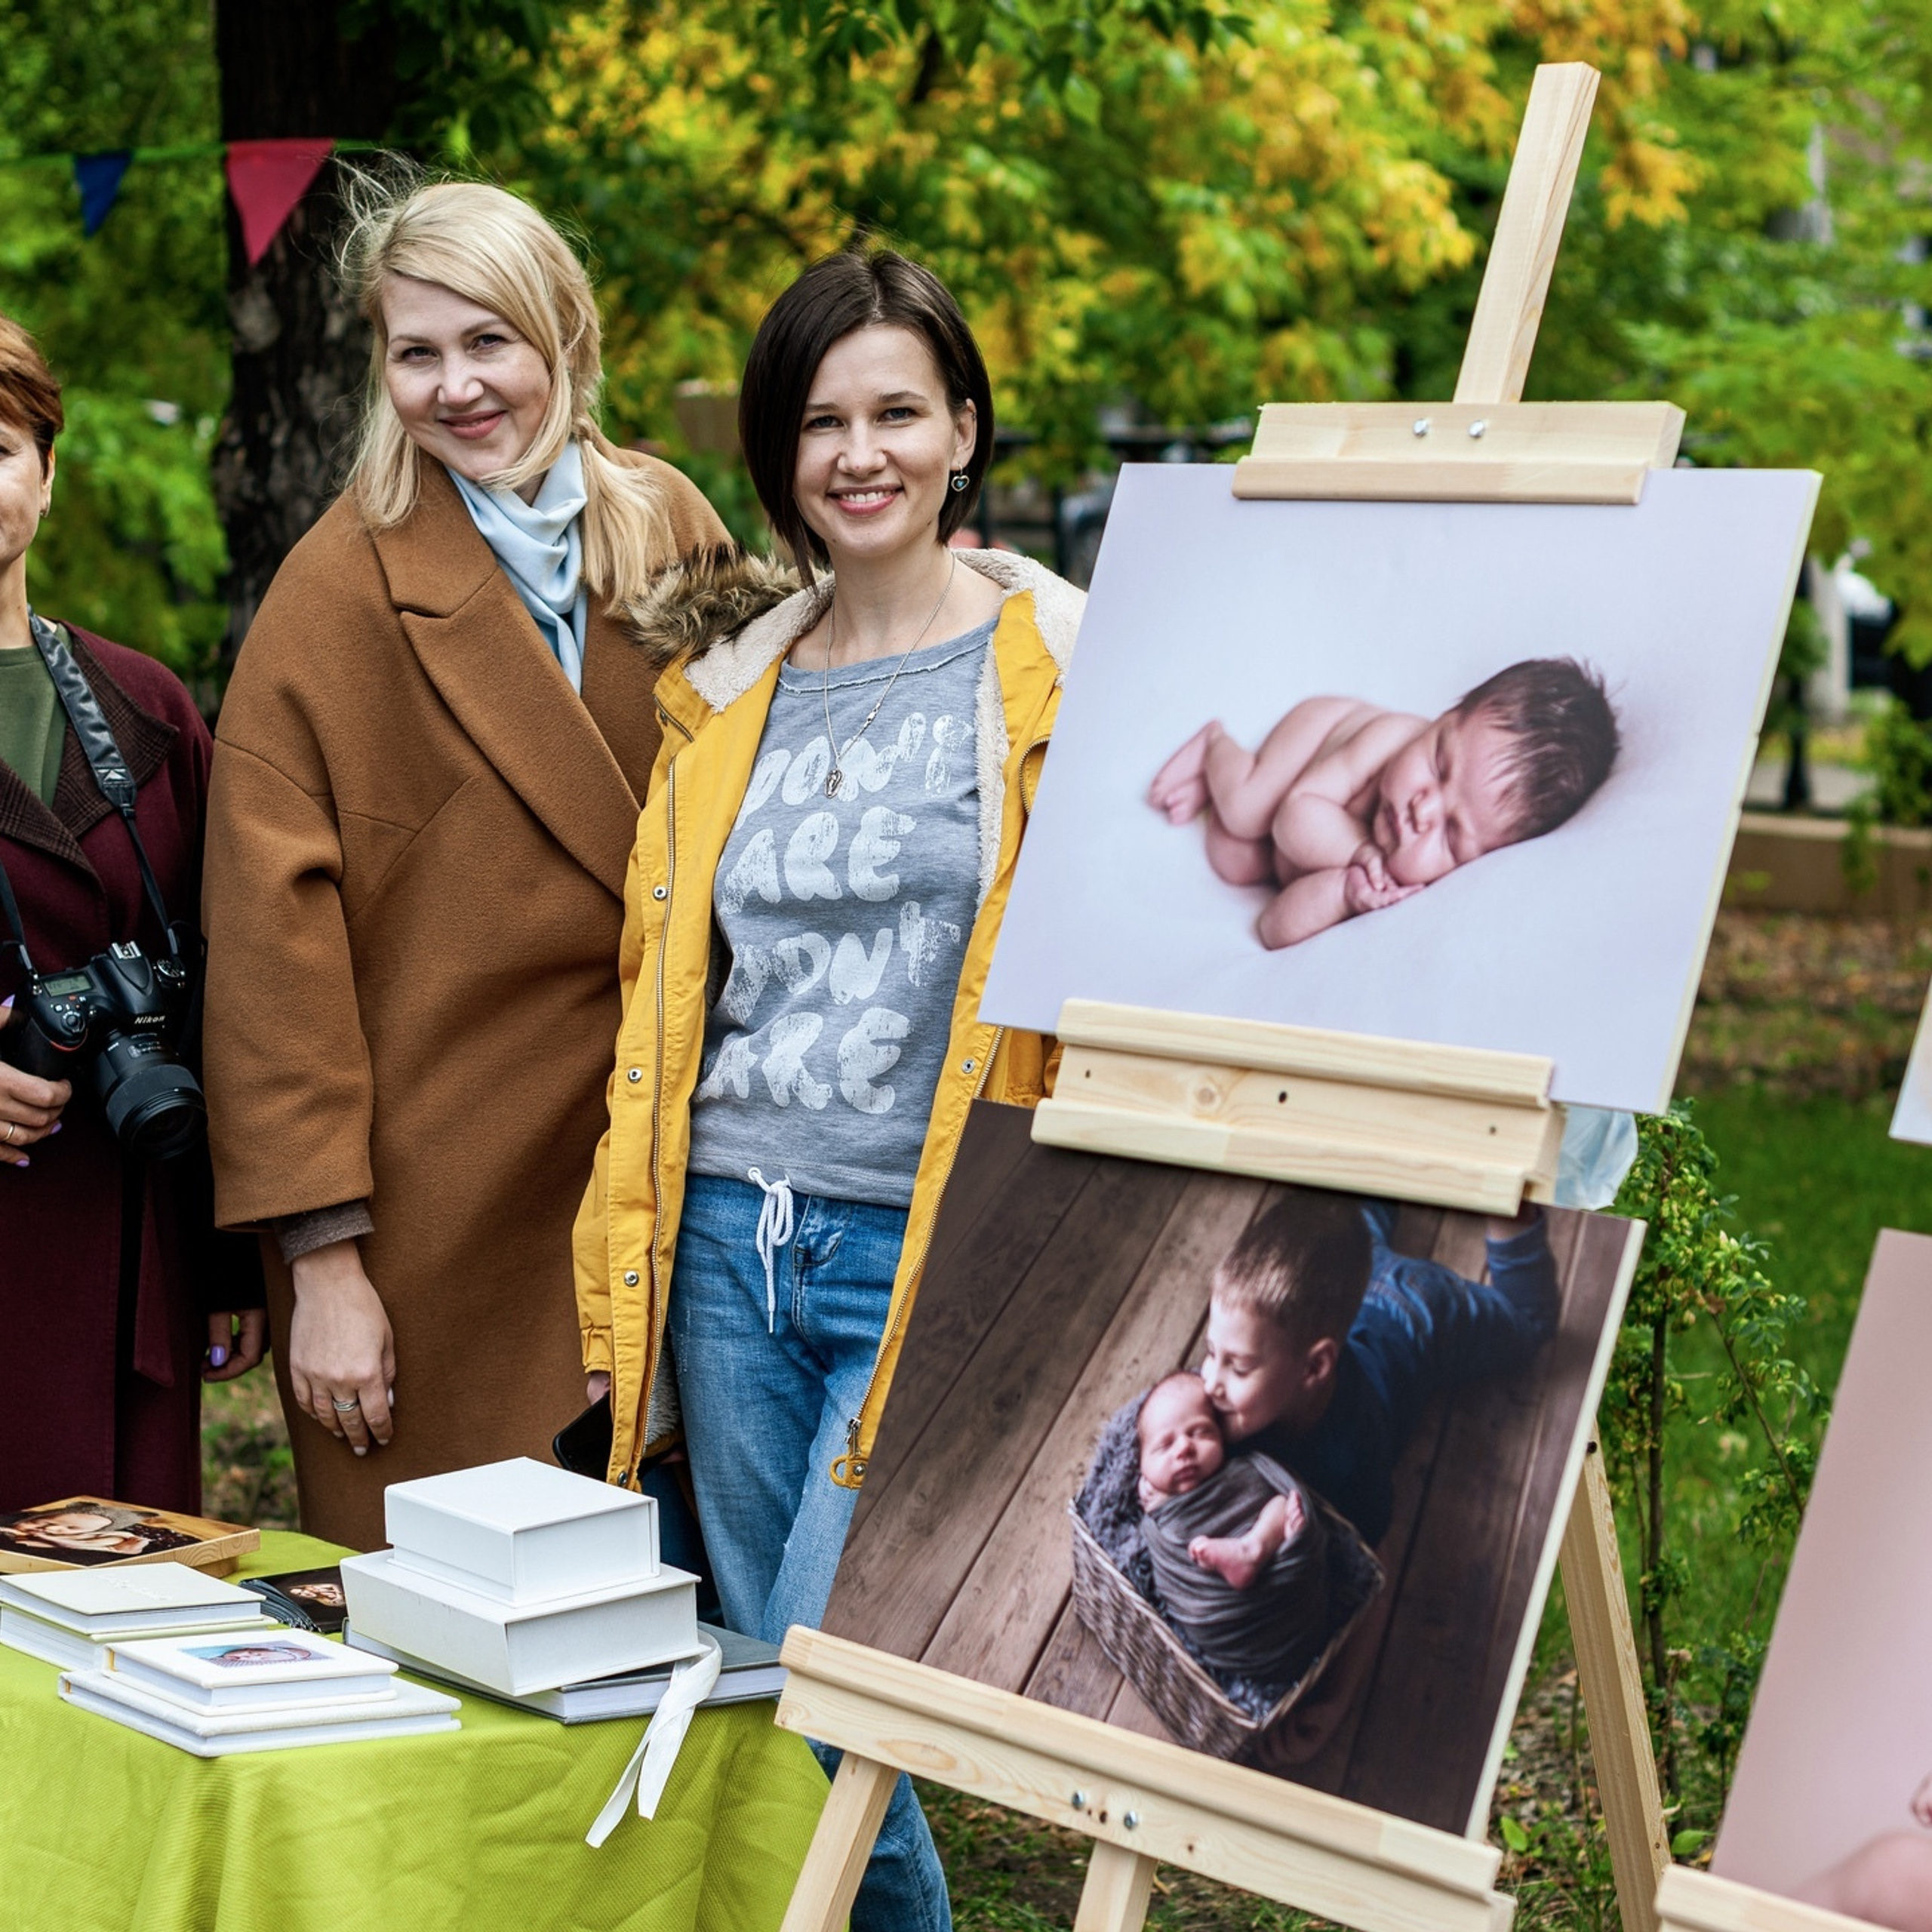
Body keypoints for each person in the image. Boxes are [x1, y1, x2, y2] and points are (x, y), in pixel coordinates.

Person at [574, 248, 1087, 1932]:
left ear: (964, 431)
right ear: (778, 453)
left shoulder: (1063, 672)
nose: (859, 454)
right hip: (727, 1245)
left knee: (828, 1687)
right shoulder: (725, 695)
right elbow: (670, 998)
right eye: (819, 422)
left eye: (897, 413)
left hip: (926, 1242)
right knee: (776, 1683)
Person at [200, 178, 731, 1551]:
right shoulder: (335, 592)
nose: (455, 387)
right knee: (450, 1625)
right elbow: (268, 959)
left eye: (488, 341)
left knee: (681, 1608)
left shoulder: (669, 526)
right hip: (438, 1222)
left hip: (665, 1181)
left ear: (564, 335)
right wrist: (324, 1264)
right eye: (416, 351)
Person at [0, 315, 264, 1516]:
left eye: (0, 449)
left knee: (126, 1595)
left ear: (48, 473)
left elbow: (231, 989)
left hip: (131, 1243)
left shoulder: (146, 707)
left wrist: (229, 1262)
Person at [1147, 657, 1620, 947]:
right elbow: (1293, 817)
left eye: (1452, 832)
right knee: (1247, 810)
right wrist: (1361, 853)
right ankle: (1215, 745)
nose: (1422, 809)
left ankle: (1214, 784)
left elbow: (1273, 929)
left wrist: (1346, 894)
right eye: (1438, 763)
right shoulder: (1390, 737)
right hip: (1315, 746)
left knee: (1234, 861)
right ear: (1444, 717)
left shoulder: (1402, 881)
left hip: (1294, 843)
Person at [1200, 1189, 1557, 1546]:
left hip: (1412, 1310)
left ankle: (1509, 1201)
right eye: (1211, 1352)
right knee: (1352, 1226)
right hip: (1348, 1269)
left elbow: (1363, 1534)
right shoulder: (1234, 1379)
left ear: (1314, 1369)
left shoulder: (1353, 1455)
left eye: (1239, 1368)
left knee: (1528, 1321)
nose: (1211, 1382)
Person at [1134, 1371, 1330, 1685]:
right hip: (1230, 1616)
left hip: (1286, 1577)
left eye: (1200, 1432)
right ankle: (1252, 1552)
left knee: (1283, 1503)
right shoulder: (1160, 1507)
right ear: (1142, 1465)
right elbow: (1170, 1556)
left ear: (1223, 1436)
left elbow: (1270, 1487)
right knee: (1188, 1538)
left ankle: (1254, 1547)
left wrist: (1293, 1543)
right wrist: (1159, 1504)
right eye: (1165, 1445)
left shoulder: (1241, 1468)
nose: (1184, 1448)